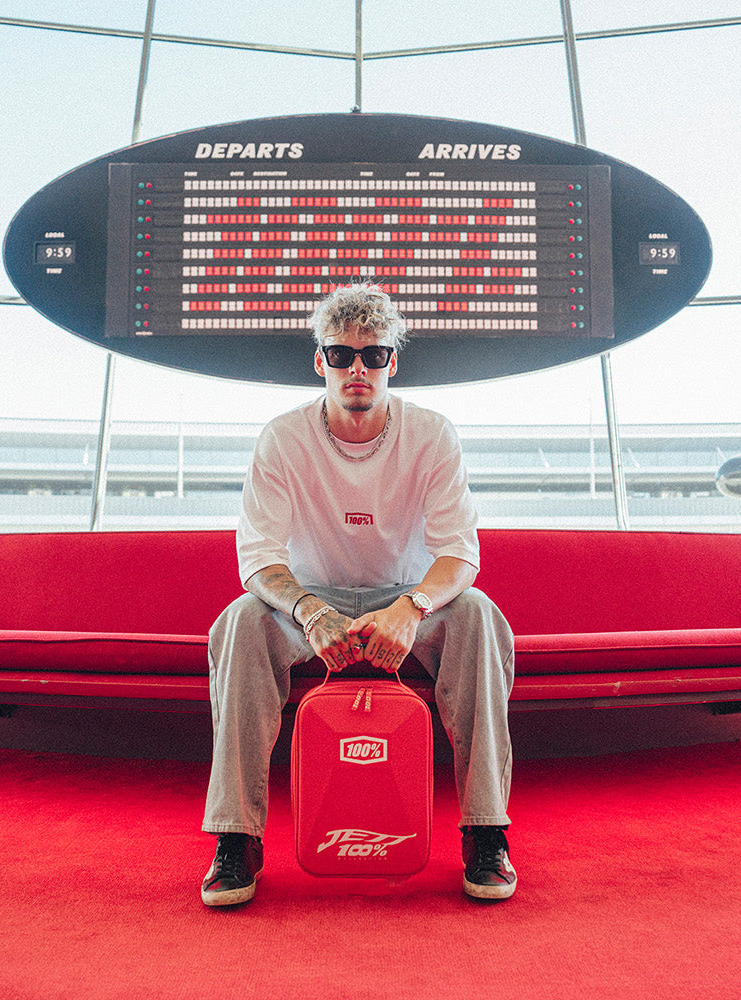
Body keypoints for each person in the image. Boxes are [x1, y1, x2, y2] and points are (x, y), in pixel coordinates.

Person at [200, 283, 517, 907]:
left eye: (373, 356)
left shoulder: (430, 434)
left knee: (479, 614)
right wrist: (309, 610)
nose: (357, 370)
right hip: (310, 600)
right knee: (239, 620)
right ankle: (236, 838)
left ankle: (487, 830)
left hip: (407, 598)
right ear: (320, 361)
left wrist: (411, 609)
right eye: (342, 356)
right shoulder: (283, 437)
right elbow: (260, 560)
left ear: (391, 363)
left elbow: (460, 556)